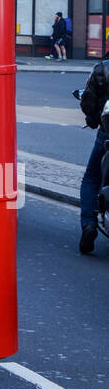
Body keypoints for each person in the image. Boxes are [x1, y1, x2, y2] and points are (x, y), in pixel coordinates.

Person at [77, 53, 109, 253]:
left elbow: (87, 100)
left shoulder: (101, 69)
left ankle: (88, 224)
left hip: (106, 133)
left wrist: (92, 118)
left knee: (91, 179)